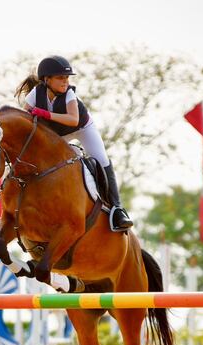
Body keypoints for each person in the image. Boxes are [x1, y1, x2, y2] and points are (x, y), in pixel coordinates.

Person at [15, 55, 133, 231]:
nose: (65, 82)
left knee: (101, 159)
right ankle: (20, 206)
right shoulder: (36, 93)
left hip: (83, 129)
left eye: (67, 78)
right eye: (60, 78)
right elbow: (24, 118)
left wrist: (45, 114)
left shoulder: (69, 93)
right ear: (47, 80)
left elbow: (72, 119)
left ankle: (117, 209)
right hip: (58, 135)